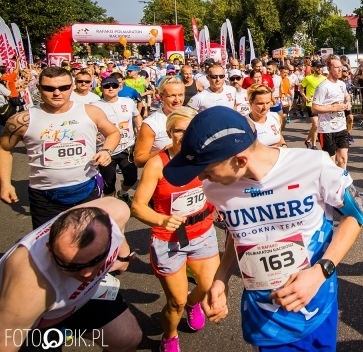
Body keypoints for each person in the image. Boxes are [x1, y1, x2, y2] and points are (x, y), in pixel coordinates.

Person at [161, 106, 363, 350]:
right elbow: (238, 232)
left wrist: (321, 271)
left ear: (240, 160)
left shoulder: (314, 165)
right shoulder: (215, 188)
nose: (202, 179)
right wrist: (221, 278)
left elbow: (357, 214)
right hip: (264, 311)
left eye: (205, 170)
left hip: (314, 299)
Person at [0, 198, 142, 352]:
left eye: (96, 260)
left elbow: (118, 230)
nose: (87, 274)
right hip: (38, 318)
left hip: (82, 297)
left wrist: (123, 255)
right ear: (49, 249)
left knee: (128, 339)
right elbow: (5, 344)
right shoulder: (28, 289)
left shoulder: (116, 211)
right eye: (72, 266)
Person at [131, 108, 218, 352]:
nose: (185, 136)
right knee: (175, 302)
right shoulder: (157, 164)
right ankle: (169, 336)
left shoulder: (205, 158)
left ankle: (193, 304)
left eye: (191, 130)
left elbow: (218, 186)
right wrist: (161, 220)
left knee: (208, 286)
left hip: (203, 233)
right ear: (170, 133)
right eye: (179, 130)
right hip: (169, 240)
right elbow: (137, 207)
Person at [0, 66, 121, 228]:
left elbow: (113, 132)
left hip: (86, 189)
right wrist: (5, 183)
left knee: (87, 238)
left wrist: (106, 150)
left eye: (63, 87)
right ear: (39, 88)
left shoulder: (91, 112)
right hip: (44, 196)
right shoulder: (22, 120)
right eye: (49, 88)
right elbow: (4, 148)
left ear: (72, 86)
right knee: (48, 242)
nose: (57, 93)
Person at [95, 76, 142, 203]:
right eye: (106, 86)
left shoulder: (128, 102)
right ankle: (111, 206)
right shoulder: (94, 106)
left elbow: (137, 116)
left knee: (131, 179)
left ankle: (122, 193)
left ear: (119, 87)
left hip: (127, 147)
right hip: (106, 149)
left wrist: (140, 129)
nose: (111, 88)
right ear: (101, 89)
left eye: (114, 86)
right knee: (109, 182)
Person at [133, 77, 185, 168]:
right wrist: (165, 151)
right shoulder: (150, 124)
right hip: (164, 173)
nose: (177, 100)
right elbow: (139, 161)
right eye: (171, 96)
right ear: (161, 97)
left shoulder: (193, 116)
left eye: (180, 95)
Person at [312, 57, 351, 169]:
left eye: (341, 67)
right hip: (326, 129)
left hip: (341, 127)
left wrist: (348, 102)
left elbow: (347, 96)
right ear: (329, 69)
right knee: (331, 163)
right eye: (336, 67)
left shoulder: (342, 84)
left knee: (343, 159)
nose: (340, 70)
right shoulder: (323, 87)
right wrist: (333, 108)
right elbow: (314, 108)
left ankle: (342, 180)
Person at [300, 62, 326, 149]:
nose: (320, 69)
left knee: (315, 126)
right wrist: (305, 97)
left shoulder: (325, 78)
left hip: (321, 104)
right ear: (313, 68)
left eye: (321, 67)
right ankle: (314, 145)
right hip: (310, 104)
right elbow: (301, 89)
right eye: (318, 67)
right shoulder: (308, 78)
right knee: (316, 125)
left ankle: (307, 140)